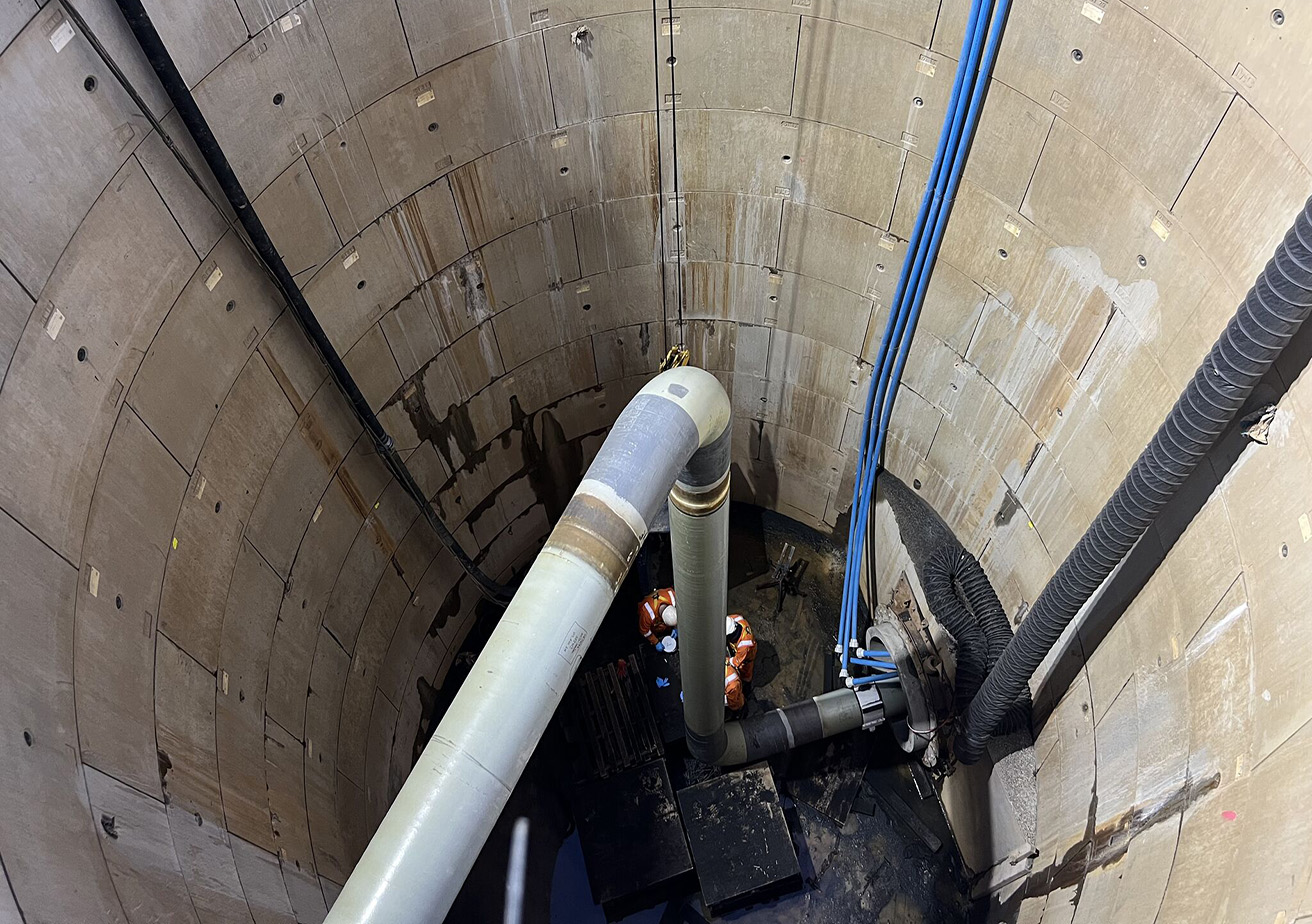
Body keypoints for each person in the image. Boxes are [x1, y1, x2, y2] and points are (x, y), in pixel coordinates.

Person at [726, 614, 756, 684]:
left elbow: (736, 661)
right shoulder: (736, 619)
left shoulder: (744, 645)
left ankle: (746, 683)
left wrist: (727, 661)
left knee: (745, 670)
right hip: (740, 647)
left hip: (747, 656)